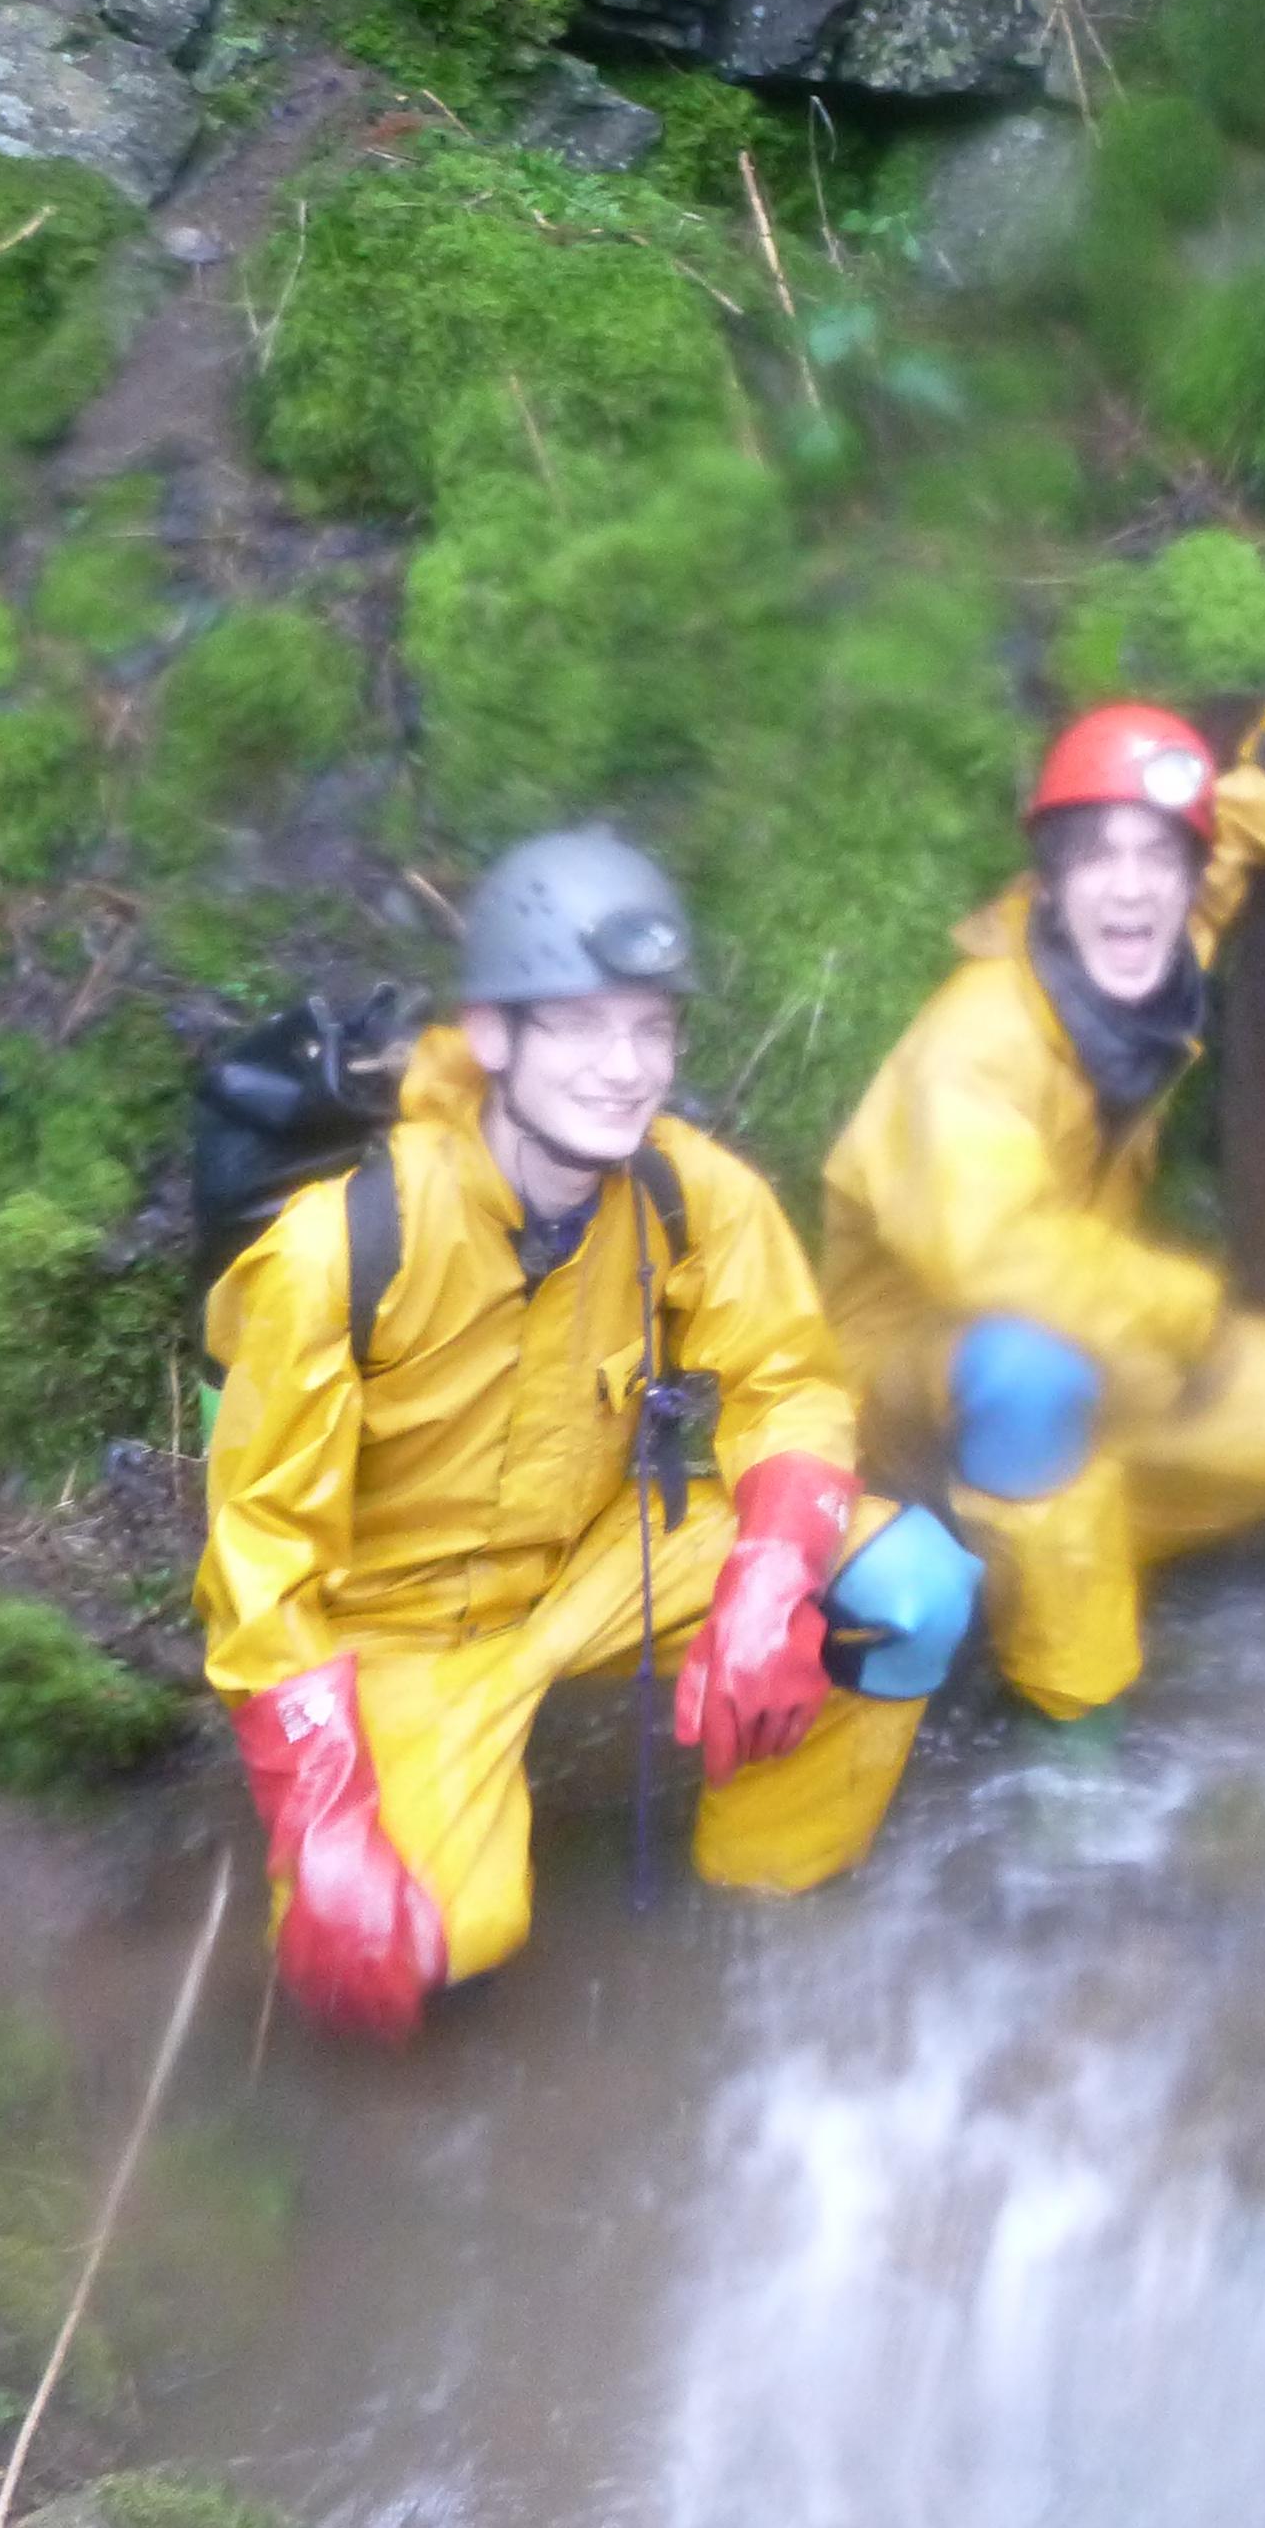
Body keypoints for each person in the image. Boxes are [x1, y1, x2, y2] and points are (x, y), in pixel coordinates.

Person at [199, 831, 977, 2041]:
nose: (624, 1069)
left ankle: (767, 1915)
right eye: (578, 1026)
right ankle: (414, 1858)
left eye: (651, 1029)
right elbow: (260, 1563)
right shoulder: (339, 1250)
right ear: (492, 1036)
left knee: (907, 1591)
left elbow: (787, 1382)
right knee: (410, 1952)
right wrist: (325, 1808)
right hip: (397, 1627)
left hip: (602, 1560)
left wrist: (772, 1574)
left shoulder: (688, 1191)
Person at [820, 669, 1265, 1724]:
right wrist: (1181, 1313)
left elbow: (1226, 849)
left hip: (1102, 1329)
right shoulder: (974, 1046)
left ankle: (1147, 1572)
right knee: (1028, 1374)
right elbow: (997, 1256)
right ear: (1050, 883)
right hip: (922, 1380)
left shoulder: (1146, 955)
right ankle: (1071, 1712)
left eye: (1157, 859)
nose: (1133, 889)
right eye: (1098, 858)